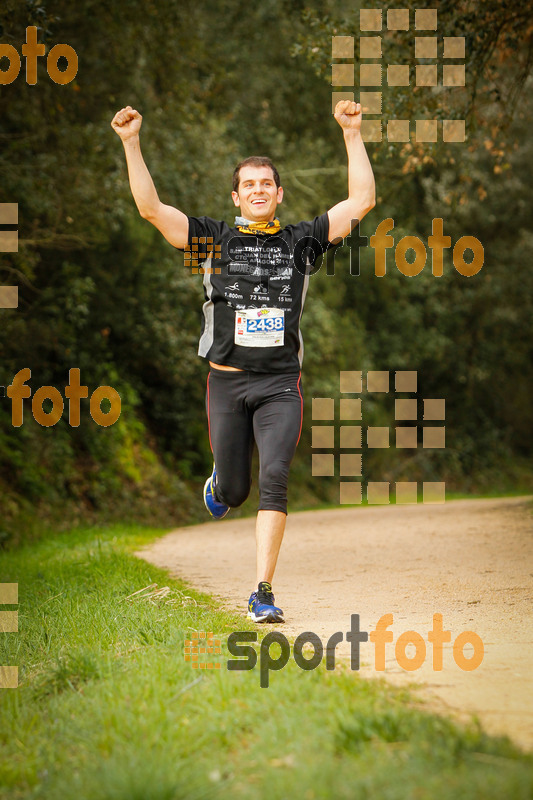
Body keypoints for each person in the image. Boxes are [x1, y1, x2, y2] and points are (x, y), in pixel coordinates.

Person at [111, 100, 375, 623]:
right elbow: (151, 210)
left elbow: (362, 200)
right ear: (237, 196)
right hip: (227, 386)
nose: (258, 190)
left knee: (276, 475)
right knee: (235, 492)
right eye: (248, 185)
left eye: (266, 184)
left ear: (279, 195)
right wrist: (130, 142)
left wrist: (351, 133)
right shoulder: (211, 240)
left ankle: (262, 591)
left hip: (280, 386)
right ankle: (220, 483)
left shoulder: (302, 242)